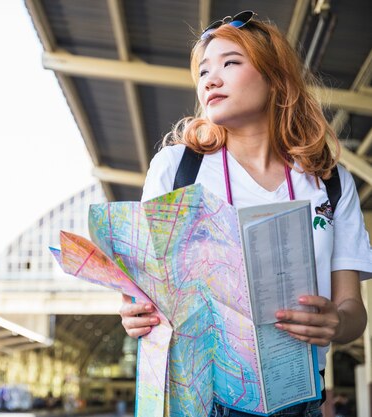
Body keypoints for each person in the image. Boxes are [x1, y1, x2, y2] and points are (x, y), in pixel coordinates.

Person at [118, 10, 372, 417]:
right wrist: (134, 312)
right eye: (202, 71)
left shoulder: (329, 180)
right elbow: (143, 291)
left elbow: (352, 311)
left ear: (275, 79)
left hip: (301, 400)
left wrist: (336, 324)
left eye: (229, 63)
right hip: (201, 400)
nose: (210, 79)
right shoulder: (178, 169)